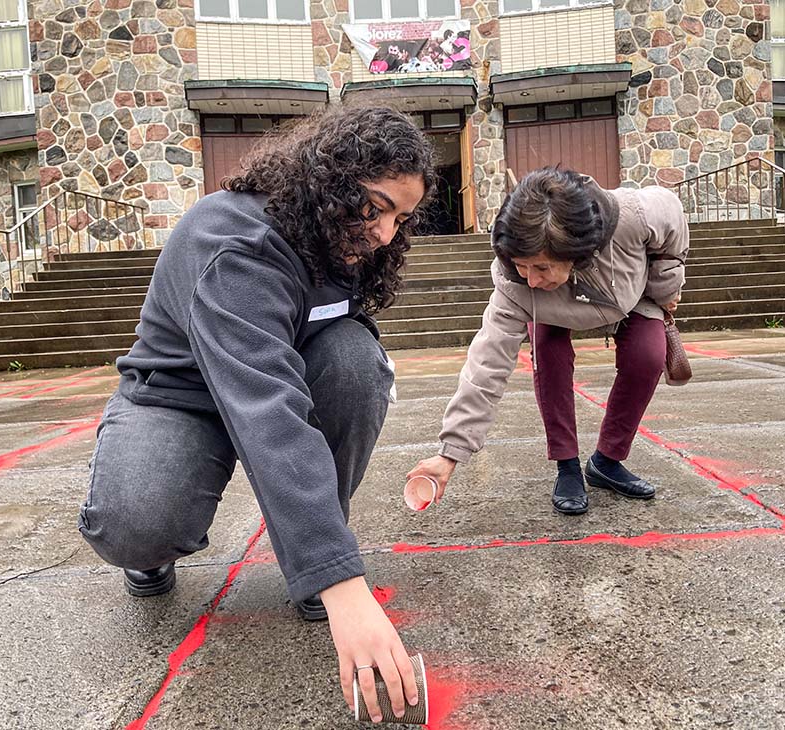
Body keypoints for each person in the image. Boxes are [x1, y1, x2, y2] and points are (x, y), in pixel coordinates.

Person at [78, 106, 437, 723]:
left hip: (279, 379)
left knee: (356, 360)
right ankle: (153, 550)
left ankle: (320, 548)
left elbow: (298, 380)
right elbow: (268, 411)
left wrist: (327, 557)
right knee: (138, 523)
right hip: (179, 398)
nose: (384, 233)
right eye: (376, 206)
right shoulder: (238, 242)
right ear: (329, 177)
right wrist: (349, 588)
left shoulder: (343, 244)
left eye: (400, 218)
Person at [407, 166, 689, 515]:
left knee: (647, 356)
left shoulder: (632, 215)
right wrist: (449, 454)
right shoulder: (517, 287)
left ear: (576, 250)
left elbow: (672, 214)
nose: (531, 278)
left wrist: (667, 285)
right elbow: (485, 367)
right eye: (522, 266)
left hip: (627, 290)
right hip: (554, 310)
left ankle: (607, 461)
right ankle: (566, 465)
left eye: (541, 267)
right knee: (547, 353)